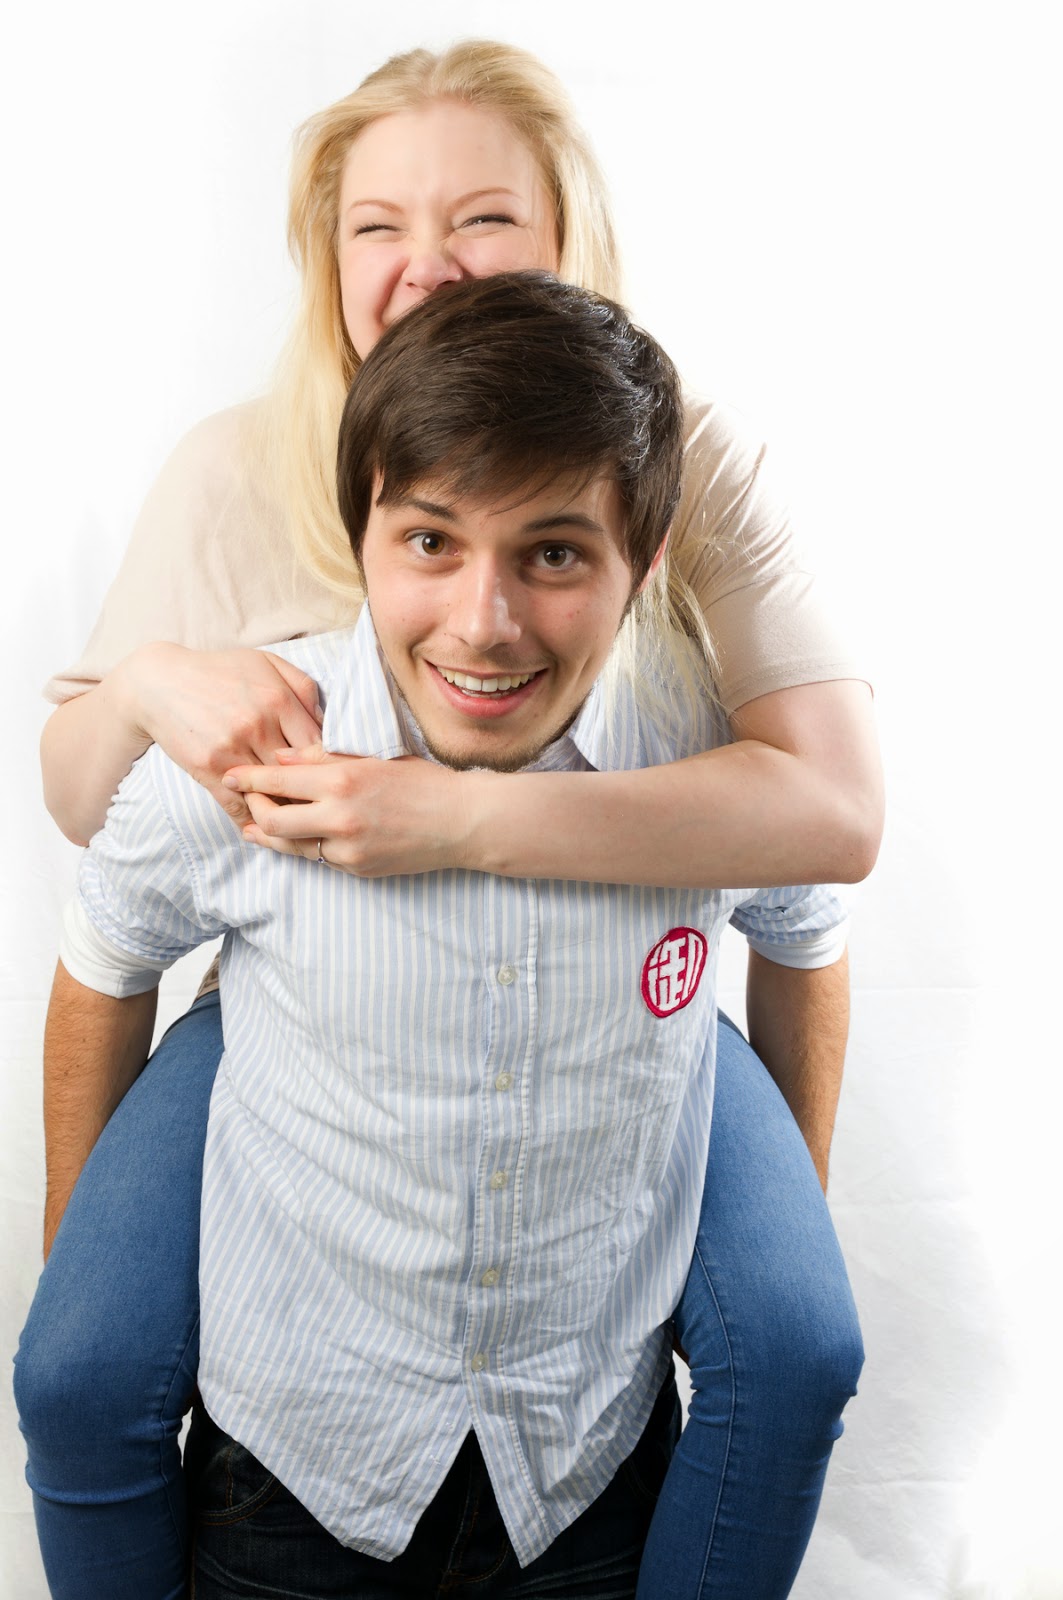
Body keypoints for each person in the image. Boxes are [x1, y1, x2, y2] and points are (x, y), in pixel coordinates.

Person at [15, 39, 875, 1600]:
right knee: (78, 1364)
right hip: (304, 972)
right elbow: (99, 848)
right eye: (378, 227)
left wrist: (452, 817)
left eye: (483, 220)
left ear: (567, 241)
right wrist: (147, 684)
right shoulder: (237, 467)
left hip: (633, 914)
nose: (429, 266)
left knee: (798, 1338)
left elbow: (825, 824)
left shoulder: (678, 446)